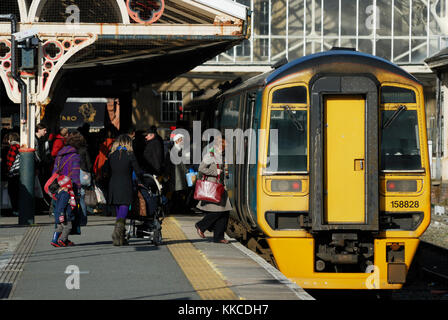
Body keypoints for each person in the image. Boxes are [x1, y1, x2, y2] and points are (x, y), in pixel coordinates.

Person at [102, 134, 144, 246]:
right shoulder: (130, 155)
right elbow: (138, 171)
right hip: (126, 184)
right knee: (124, 208)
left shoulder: (111, 155)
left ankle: (120, 238)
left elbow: (104, 171)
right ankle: (118, 231)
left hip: (113, 185)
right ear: (128, 143)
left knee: (119, 210)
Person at [194, 136, 232, 244]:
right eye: (225, 146)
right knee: (218, 212)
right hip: (213, 187)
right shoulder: (210, 155)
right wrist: (216, 173)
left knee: (224, 212)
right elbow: (201, 168)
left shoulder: (221, 156)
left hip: (220, 186)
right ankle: (201, 225)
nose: (226, 148)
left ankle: (219, 237)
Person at [50, 135, 81, 247]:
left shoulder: (59, 155)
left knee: (60, 214)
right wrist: (77, 191)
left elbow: (54, 172)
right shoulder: (75, 156)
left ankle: (60, 239)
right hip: (69, 188)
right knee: (70, 213)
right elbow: (75, 174)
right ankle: (63, 239)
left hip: (58, 188)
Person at [70, 131, 92, 226]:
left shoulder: (69, 149)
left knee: (71, 197)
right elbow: (89, 164)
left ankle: (73, 218)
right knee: (81, 198)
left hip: (71, 174)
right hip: (82, 174)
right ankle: (83, 220)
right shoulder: (84, 150)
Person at [5, 132, 20, 216]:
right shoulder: (20, 146)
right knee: (18, 192)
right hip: (19, 172)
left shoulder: (13, 147)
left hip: (13, 173)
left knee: (12, 192)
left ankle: (15, 210)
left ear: (10, 140)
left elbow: (10, 161)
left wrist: (8, 171)